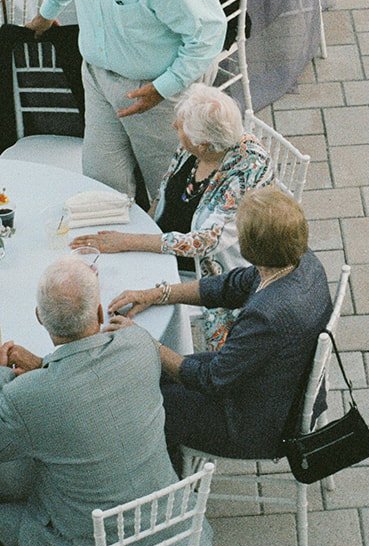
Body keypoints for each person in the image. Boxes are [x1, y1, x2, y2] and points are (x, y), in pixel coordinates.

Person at [0, 255, 175, 546]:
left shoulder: (27, 397)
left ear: (39, 318)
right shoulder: (140, 344)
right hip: (166, 528)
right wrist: (44, 366)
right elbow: (91, 380)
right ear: (99, 312)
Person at [26, 0, 227, 204]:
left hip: (152, 93)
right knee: (101, 180)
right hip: (97, 79)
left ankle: (171, 252)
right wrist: (45, 17)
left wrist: (163, 88)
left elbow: (209, 31)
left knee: (165, 187)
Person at [109, 187, 332, 463]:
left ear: (252, 247)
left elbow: (210, 379)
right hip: (275, 381)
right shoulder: (301, 261)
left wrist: (145, 342)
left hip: (258, 423)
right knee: (152, 373)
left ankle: (170, 475)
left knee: (146, 401)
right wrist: (156, 294)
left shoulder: (266, 315)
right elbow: (228, 286)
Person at [70, 83, 273, 349]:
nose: (174, 127)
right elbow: (166, 188)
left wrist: (131, 241)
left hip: (204, 269)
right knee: (94, 267)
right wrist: (140, 228)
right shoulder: (194, 147)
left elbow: (205, 242)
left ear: (205, 145)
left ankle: (131, 354)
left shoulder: (246, 169)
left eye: (181, 126)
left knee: (111, 296)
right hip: (159, 242)